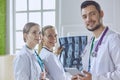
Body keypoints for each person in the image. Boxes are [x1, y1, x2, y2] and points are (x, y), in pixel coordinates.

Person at [72, 1, 120, 80]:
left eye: (92, 14)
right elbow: (90, 70)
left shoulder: (113, 39)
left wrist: (93, 78)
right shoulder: (90, 43)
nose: (88, 19)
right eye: (84, 16)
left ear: (101, 14)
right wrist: (81, 77)